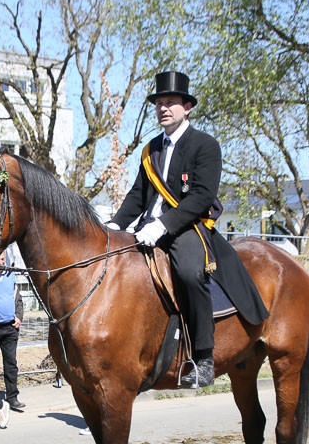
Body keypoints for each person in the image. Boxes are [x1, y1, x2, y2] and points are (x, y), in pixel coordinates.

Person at [108, 71, 269, 388]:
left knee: (189, 274)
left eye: (170, 102)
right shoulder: (150, 149)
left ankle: (204, 358)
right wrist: (116, 224)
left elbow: (202, 197)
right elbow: (138, 195)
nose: (163, 108)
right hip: (145, 228)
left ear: (187, 107)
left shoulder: (205, 145)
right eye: (159, 103)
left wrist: (163, 225)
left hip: (185, 229)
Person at [0, 253, 25, 412]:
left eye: (2, 260)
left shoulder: (11, 275)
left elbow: (18, 298)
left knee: (11, 364)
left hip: (10, 328)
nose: (0, 263)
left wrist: (19, 317)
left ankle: (12, 397)